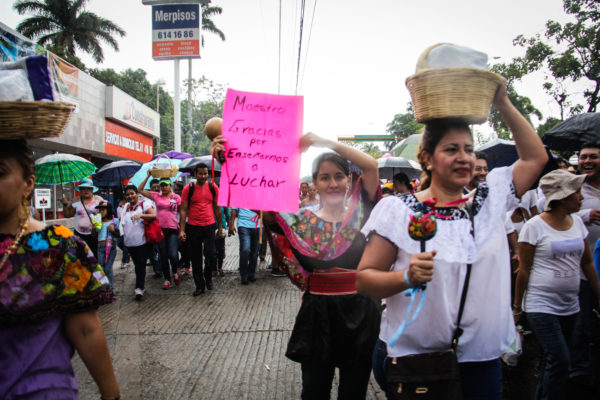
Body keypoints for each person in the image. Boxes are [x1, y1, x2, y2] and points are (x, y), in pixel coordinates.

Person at [356, 81, 548, 400]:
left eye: (469, 149)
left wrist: (502, 102)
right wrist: (405, 277)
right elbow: (364, 280)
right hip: (416, 362)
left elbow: (535, 158)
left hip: (481, 361)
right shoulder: (397, 210)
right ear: (427, 159)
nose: (464, 158)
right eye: (451, 149)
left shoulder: (490, 202)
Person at [212, 132, 382, 399]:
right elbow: (259, 198)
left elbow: (371, 166)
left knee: (354, 394)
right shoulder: (299, 219)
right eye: (324, 177)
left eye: (339, 175)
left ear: (349, 180)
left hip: (361, 314)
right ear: (314, 182)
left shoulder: (362, 211)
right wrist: (229, 159)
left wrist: (324, 142)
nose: (333, 183)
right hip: (317, 317)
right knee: (313, 392)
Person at [0, 139, 119, 399]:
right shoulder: (75, 205)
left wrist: (111, 394)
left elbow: (86, 328)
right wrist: (66, 204)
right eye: (83, 191)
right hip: (81, 232)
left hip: (41, 391)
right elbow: (69, 211)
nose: (85, 193)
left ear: (27, 184)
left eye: (1, 173)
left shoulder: (59, 246)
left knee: (101, 265)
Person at [513, 169, 600, 400]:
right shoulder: (534, 226)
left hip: (570, 304)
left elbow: (588, 262)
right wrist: (517, 308)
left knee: (554, 360)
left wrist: (598, 292)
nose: (581, 198)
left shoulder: (576, 223)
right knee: (561, 359)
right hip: (540, 304)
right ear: (561, 198)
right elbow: (525, 270)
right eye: (576, 193)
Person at [571, 142, 600, 387]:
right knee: (581, 322)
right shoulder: (574, 188)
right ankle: (578, 371)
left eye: (593, 157)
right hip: (581, 269)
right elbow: (552, 213)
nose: (586, 161)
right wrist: (585, 216)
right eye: (583, 157)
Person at [179, 164, 223, 296]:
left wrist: (220, 228)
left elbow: (217, 209)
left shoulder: (213, 187)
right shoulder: (188, 189)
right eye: (201, 174)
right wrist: (182, 230)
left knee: (211, 254)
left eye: (205, 174)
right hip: (193, 227)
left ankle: (208, 277)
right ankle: (199, 285)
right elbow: (183, 210)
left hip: (209, 226)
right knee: (196, 258)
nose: (203, 176)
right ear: (195, 174)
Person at [138, 174, 182, 290]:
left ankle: (175, 271)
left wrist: (182, 229)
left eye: (166, 185)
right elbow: (140, 190)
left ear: (170, 186)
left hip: (173, 229)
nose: (163, 187)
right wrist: (147, 176)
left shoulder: (176, 197)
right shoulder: (156, 196)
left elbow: (183, 212)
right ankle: (167, 279)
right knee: (163, 256)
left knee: (173, 254)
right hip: (160, 230)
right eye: (161, 185)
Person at [119, 184, 156, 301]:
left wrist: (141, 215)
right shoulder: (124, 207)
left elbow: (153, 215)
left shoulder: (144, 204)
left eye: (132, 193)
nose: (130, 196)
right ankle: (140, 285)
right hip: (129, 243)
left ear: (137, 194)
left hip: (143, 241)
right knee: (137, 265)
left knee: (141, 264)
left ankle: (139, 288)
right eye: (127, 194)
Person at [61, 178, 103, 258]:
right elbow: (67, 215)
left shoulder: (98, 200)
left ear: (92, 190)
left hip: (94, 234)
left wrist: (98, 226)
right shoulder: (76, 202)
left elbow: (106, 215)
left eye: (88, 188)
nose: (86, 191)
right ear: (80, 190)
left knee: (94, 256)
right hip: (79, 234)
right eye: (83, 189)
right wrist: (65, 205)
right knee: (81, 256)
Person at [229, 208, 261, 285]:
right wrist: (231, 224)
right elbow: (234, 209)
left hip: (258, 225)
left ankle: (251, 273)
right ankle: (244, 275)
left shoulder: (262, 195)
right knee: (245, 249)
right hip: (243, 225)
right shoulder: (240, 195)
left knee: (255, 252)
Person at [95, 201, 119, 289]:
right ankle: (102, 288)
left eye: (103, 209)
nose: (101, 212)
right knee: (101, 269)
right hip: (100, 248)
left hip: (111, 248)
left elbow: (119, 234)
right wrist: (94, 228)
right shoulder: (98, 221)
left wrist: (113, 230)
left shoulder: (114, 220)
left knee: (108, 269)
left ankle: (110, 289)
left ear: (108, 210)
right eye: (100, 210)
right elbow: (94, 235)